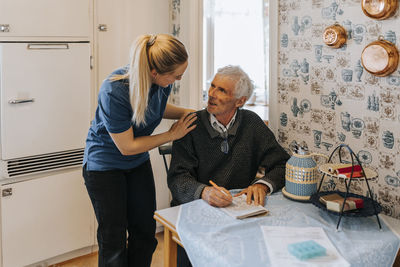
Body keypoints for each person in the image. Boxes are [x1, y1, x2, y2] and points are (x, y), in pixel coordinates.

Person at [83, 34, 197, 267]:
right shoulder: (114, 90)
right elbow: (127, 147)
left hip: (137, 164)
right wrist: (171, 135)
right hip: (105, 167)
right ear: (155, 72)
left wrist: (193, 113)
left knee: (145, 233)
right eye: (176, 75)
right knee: (113, 239)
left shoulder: (160, 83)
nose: (179, 78)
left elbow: (157, 107)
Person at [167, 65, 290, 267]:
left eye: (221, 90)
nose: (211, 94)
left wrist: (262, 185)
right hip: (195, 213)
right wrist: (204, 192)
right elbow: (177, 178)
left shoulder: (252, 123)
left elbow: (282, 163)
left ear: (240, 101)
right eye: (212, 86)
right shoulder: (190, 125)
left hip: (236, 213)